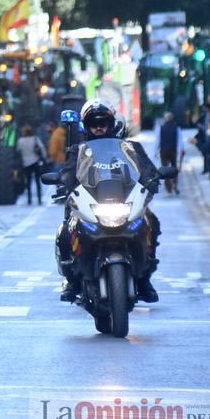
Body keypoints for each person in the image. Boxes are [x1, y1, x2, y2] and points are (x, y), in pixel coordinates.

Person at [56, 100, 162, 304]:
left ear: (111, 124)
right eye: (94, 123)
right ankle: (72, 280)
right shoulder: (78, 151)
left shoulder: (131, 148)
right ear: (86, 126)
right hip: (93, 201)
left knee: (151, 221)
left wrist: (152, 179)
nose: (98, 127)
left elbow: (146, 168)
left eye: (103, 122)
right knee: (65, 232)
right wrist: (63, 183)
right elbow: (68, 173)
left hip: (124, 200)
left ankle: (145, 277)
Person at [16, 124, 45, 204]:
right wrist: (44, 157)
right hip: (35, 161)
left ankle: (29, 199)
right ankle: (39, 199)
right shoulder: (35, 139)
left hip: (26, 163)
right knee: (37, 181)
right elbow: (41, 147)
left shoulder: (20, 141)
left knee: (28, 181)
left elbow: (18, 150)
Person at [157, 111, 183, 194]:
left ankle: (168, 188)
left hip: (163, 151)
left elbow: (157, 141)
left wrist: (155, 152)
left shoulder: (161, 128)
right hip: (173, 151)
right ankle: (175, 184)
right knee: (174, 168)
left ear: (165, 119)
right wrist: (180, 150)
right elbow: (180, 141)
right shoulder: (177, 128)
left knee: (165, 169)